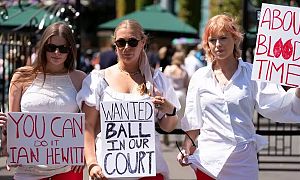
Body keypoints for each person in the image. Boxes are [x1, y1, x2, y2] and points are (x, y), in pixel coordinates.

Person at [176, 14, 300, 180]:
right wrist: (186, 148)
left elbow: (280, 104)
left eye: (223, 38)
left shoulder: (251, 74)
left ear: (235, 39)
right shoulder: (200, 77)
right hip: (208, 161)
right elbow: (193, 119)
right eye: (212, 40)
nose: (218, 45)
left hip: (243, 162)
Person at [76, 19, 180, 180]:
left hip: (148, 170)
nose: (126, 47)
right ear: (114, 44)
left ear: (142, 42)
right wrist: (91, 162)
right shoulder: (98, 79)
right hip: (108, 171)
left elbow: (167, 126)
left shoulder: (157, 79)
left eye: (132, 42)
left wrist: (170, 110)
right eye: (121, 42)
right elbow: (87, 126)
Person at [7, 21, 86, 179]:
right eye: (51, 47)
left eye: (63, 48)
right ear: (43, 47)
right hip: (27, 166)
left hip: (68, 168)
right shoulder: (21, 77)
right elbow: (13, 120)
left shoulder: (80, 78)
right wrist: (9, 145)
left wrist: (84, 151)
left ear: (70, 50)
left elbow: (89, 123)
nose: (57, 53)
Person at [163, 51, 189, 145]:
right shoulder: (184, 71)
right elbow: (186, 85)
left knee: (170, 115)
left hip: (171, 95)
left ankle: (168, 132)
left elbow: (164, 83)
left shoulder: (168, 69)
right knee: (181, 117)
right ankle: (179, 137)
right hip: (181, 94)